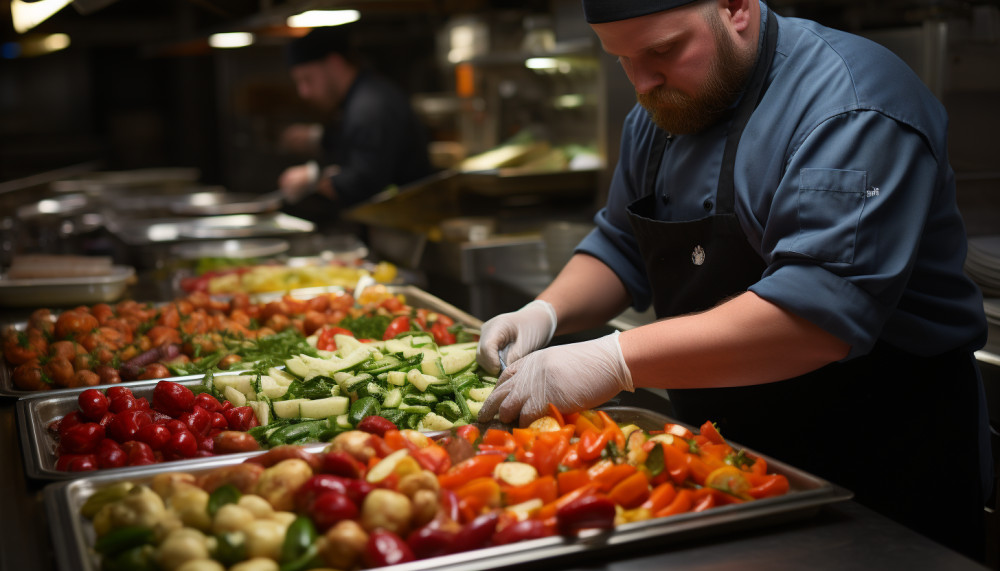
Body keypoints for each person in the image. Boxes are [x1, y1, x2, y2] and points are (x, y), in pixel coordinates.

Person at [476, 0, 993, 561]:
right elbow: (621, 244)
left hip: (882, 459)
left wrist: (611, 360)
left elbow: (815, 318)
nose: (642, 81)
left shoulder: (852, 106)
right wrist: (543, 313)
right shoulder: (662, 104)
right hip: (728, 456)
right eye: (621, 58)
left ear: (735, 7)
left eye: (663, 50)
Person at [277, 26, 434, 230]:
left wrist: (312, 177)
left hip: (406, 230)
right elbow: (356, 144)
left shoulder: (369, 106)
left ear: (334, 64)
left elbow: (364, 182)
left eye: (307, 79)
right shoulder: (362, 96)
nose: (303, 92)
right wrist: (320, 138)